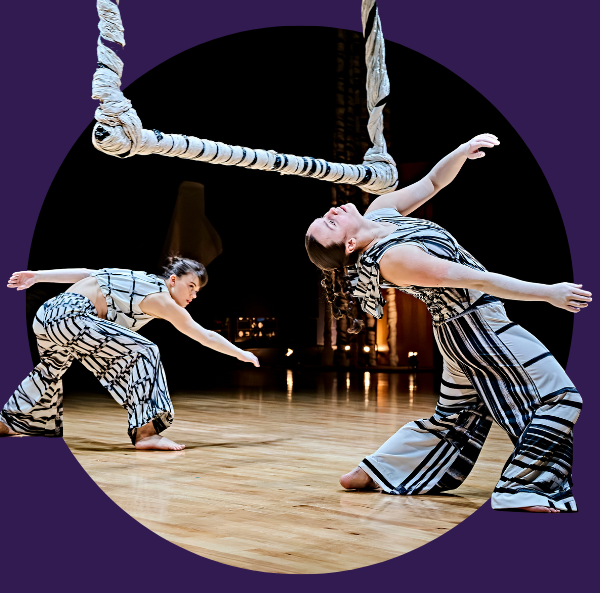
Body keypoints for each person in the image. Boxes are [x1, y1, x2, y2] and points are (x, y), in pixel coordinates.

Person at [305, 133, 590, 512]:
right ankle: (524, 489)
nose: (333, 211)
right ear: (350, 245)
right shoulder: (394, 258)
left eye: (326, 216)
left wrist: (461, 152)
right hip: (478, 330)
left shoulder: (380, 212)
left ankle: (376, 471)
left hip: (459, 333)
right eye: (329, 223)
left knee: (455, 418)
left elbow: (432, 183)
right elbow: (479, 280)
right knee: (560, 397)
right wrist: (548, 293)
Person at [1, 257, 259, 450]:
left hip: (48, 314)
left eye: (197, 291)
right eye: (190, 286)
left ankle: (7, 422)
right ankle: (146, 433)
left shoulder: (136, 277)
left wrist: (36, 275)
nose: (193, 294)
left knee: (50, 370)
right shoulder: (161, 297)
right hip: (71, 316)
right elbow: (204, 335)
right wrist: (240, 353)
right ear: (172, 280)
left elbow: (84, 273)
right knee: (145, 351)